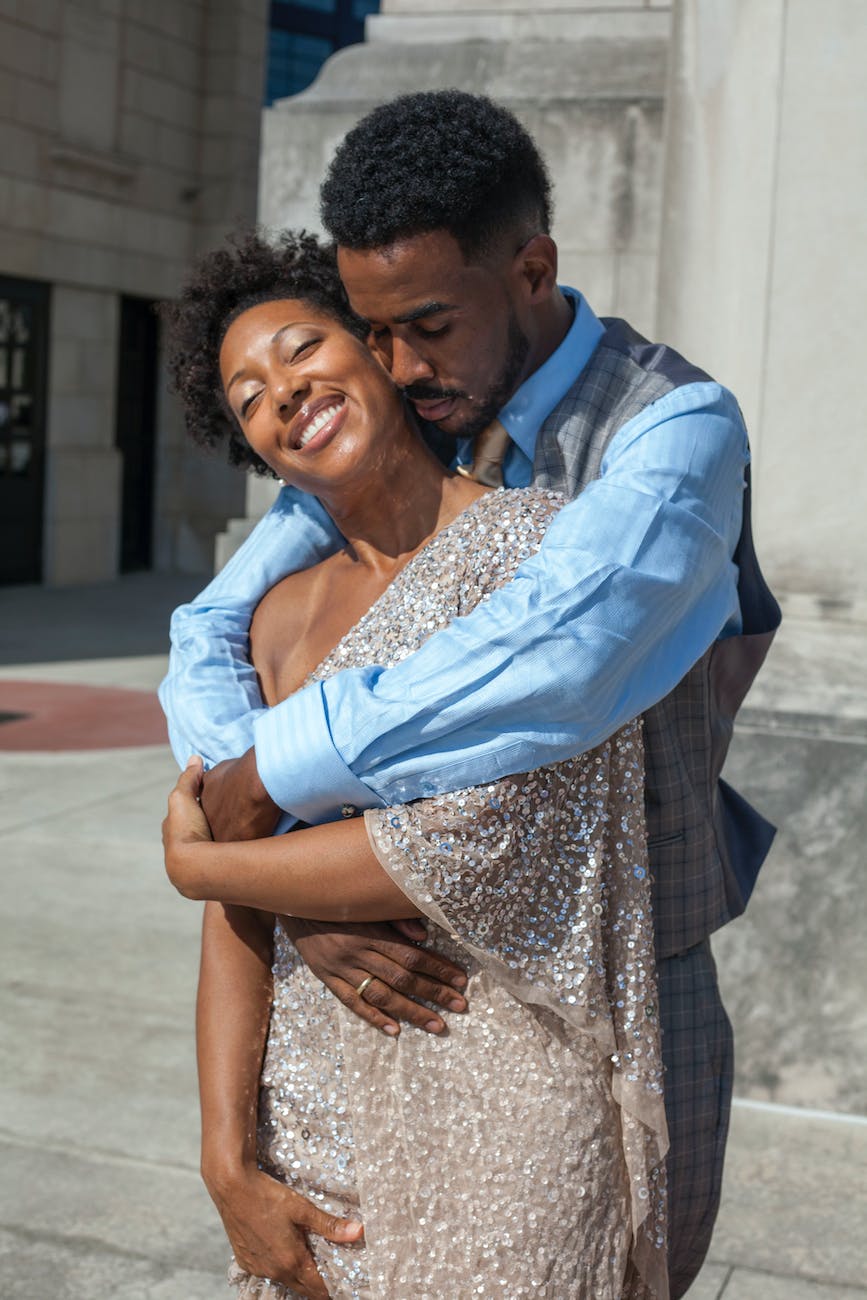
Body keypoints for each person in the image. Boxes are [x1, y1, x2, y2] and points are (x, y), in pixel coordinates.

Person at [159, 92, 780, 1297]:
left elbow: (554, 668)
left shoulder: (671, 433)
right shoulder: (413, 415)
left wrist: (235, 839)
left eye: (425, 325)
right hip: (373, 1017)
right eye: (375, 331)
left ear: (533, 267)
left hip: (619, 979)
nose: (398, 362)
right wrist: (280, 866)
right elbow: (213, 627)